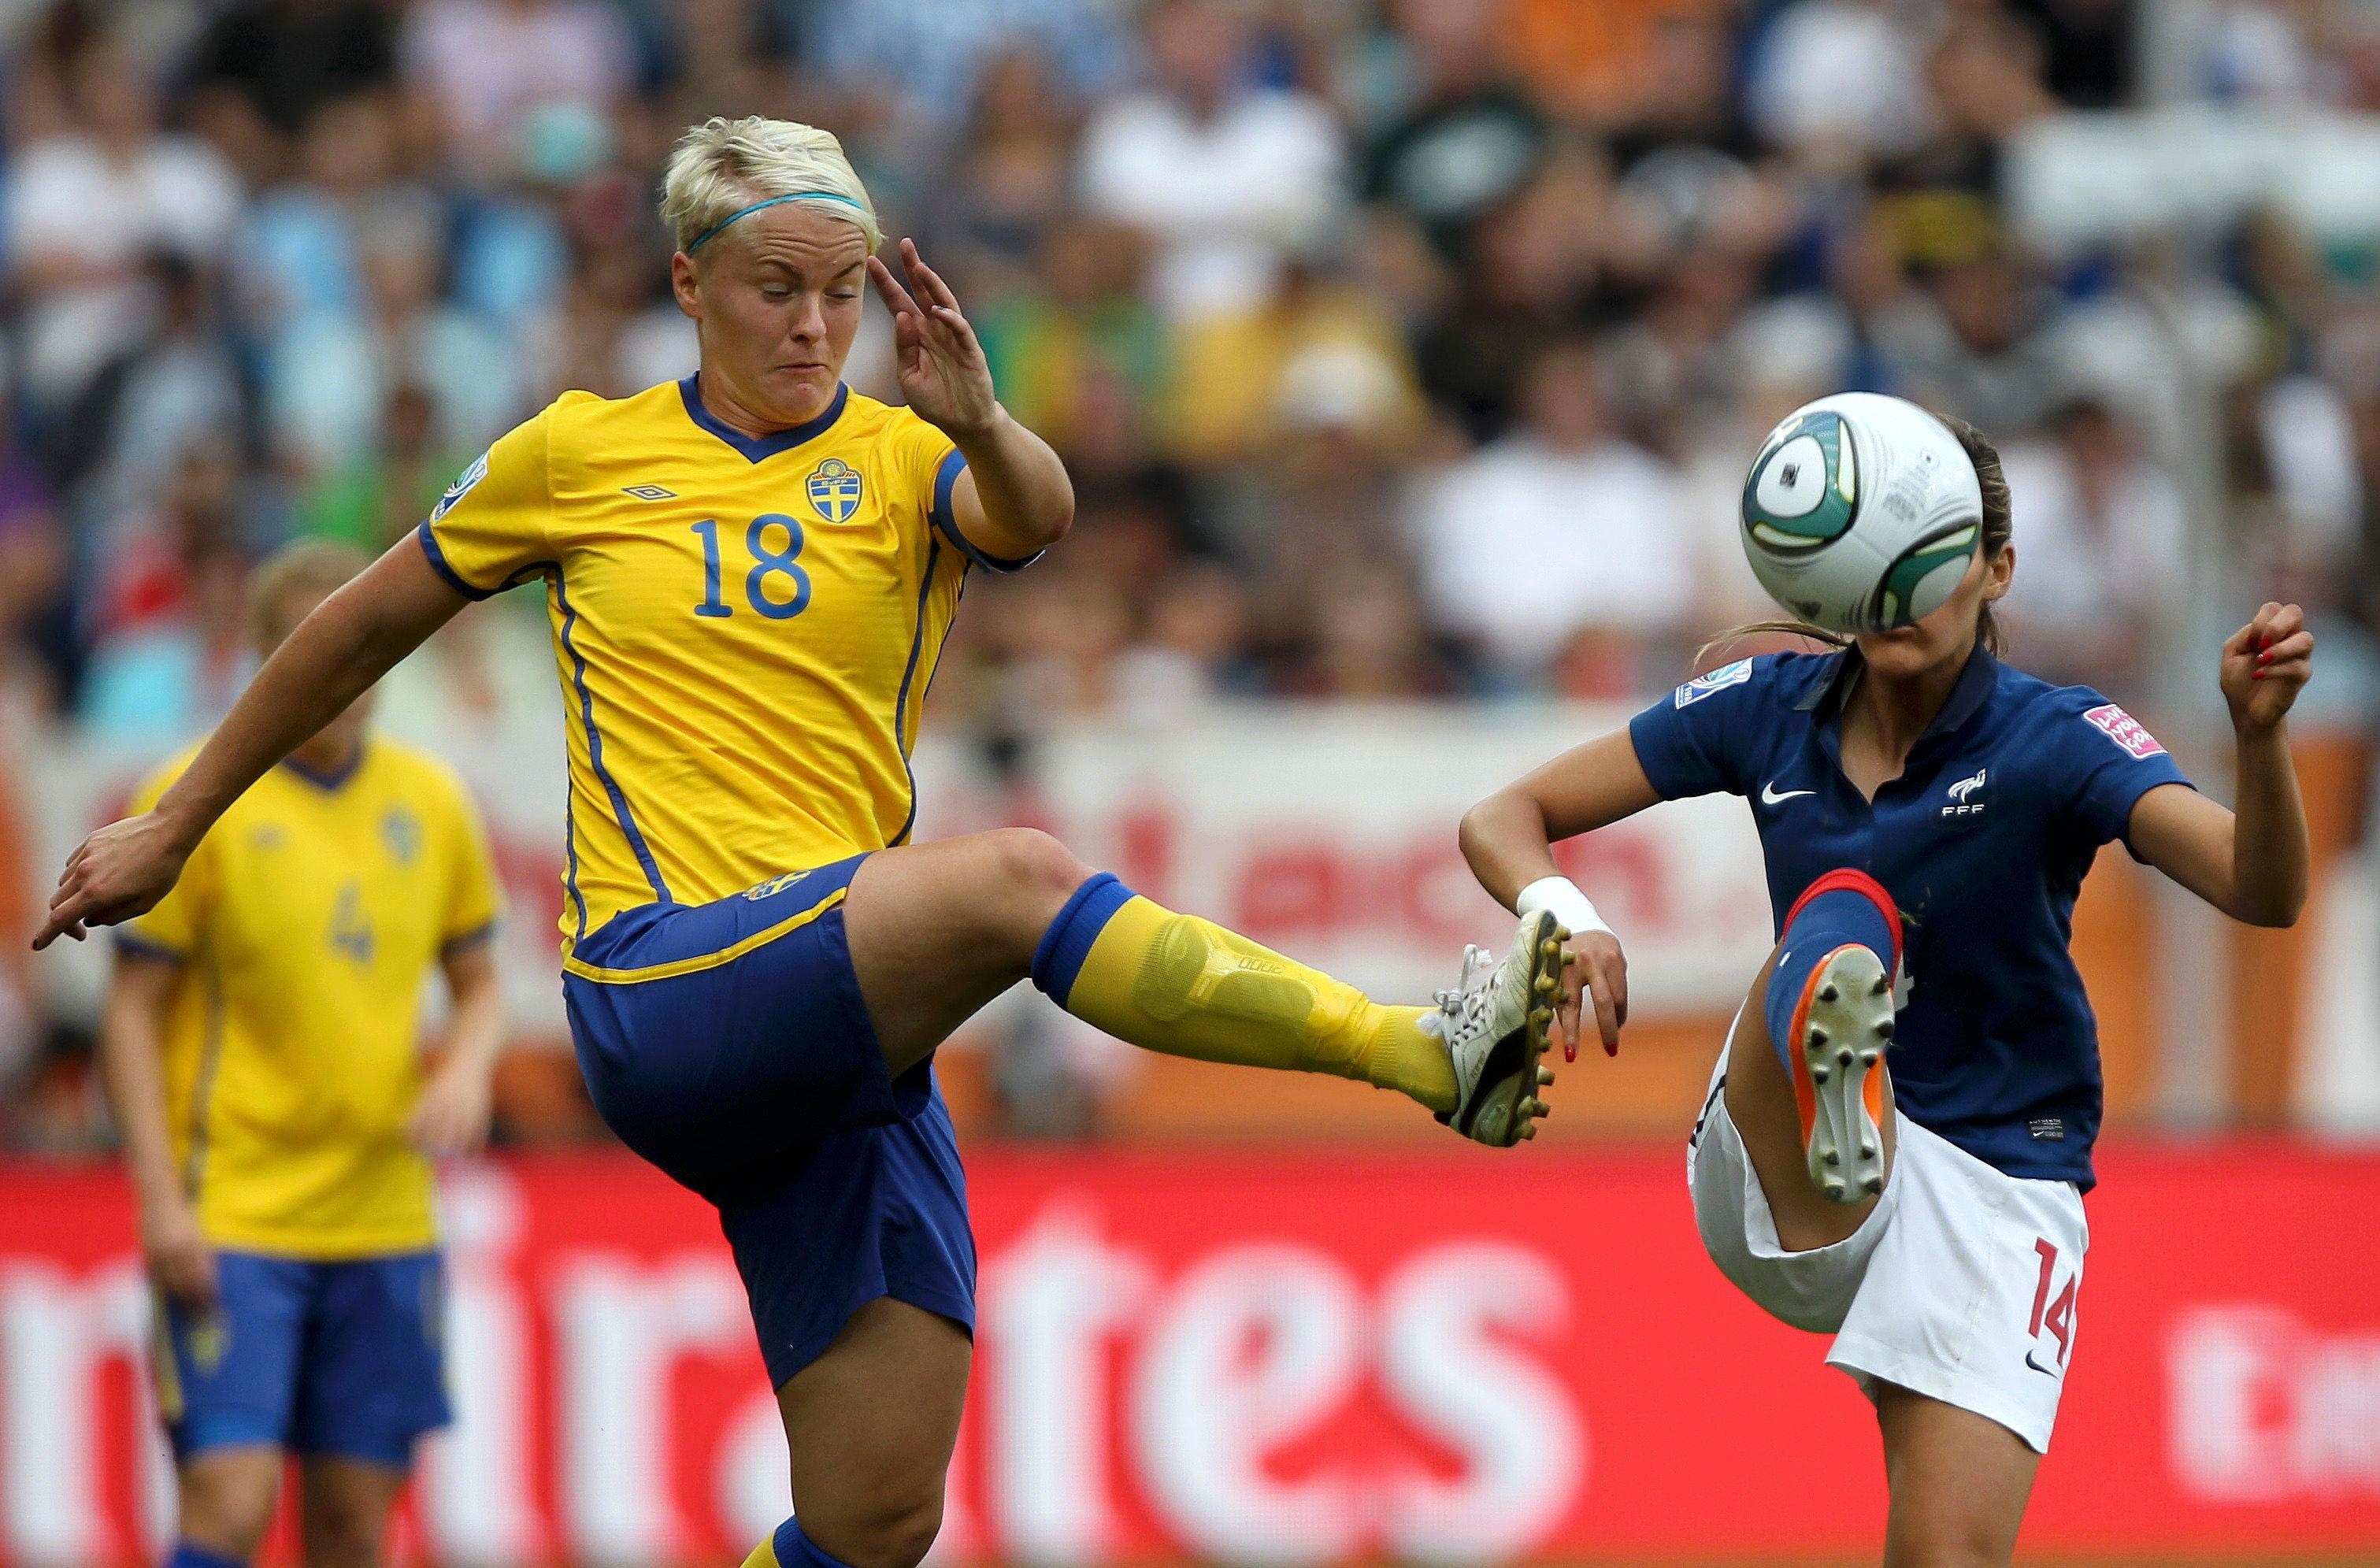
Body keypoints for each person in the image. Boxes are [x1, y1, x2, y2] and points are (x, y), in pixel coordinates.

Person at [38, 117, 1563, 1568]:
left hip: (835, 1040)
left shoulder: (905, 461)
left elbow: (1033, 519)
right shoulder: (575, 456)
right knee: (1017, 879)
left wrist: (980, 418)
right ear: (689, 282)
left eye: (839, 294)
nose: (812, 326)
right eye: (777, 289)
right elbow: (357, 624)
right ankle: (1422, 1056)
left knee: (876, 1520)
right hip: (663, 986)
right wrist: (178, 821)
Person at [1456, 400, 2313, 1565]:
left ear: (1997, 568)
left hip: (1998, 1178)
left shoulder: (2056, 737)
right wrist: (1566, 915)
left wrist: (2257, 740)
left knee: (1944, 1556)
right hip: (1784, 1164)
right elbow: (1503, 816)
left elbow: (2257, 891)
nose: (1904, 595)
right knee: (1841, 916)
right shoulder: (1764, 706)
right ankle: (1839, 1078)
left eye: (1938, 562)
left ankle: (1847, 1052)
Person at [95, 540, 506, 1568]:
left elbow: (483, 983)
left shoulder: (435, 802)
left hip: (383, 1214)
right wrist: (158, 1198)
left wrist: (463, 1066)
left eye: (364, 651)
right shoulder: (194, 801)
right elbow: (131, 1013)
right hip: (238, 1210)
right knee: (230, 1509)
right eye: (318, 654)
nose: (346, 679)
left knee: (353, 1529)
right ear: (270, 665)